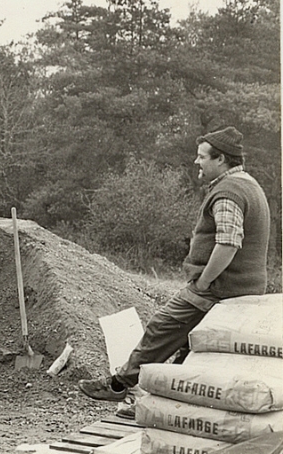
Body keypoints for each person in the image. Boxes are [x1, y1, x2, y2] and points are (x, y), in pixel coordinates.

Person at [78, 126, 271, 410]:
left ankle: (119, 385)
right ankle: (159, 405)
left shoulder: (228, 192)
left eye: (202, 156)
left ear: (221, 159)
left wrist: (204, 282)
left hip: (219, 288)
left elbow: (229, 243)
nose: (197, 162)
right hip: (243, 288)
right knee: (191, 351)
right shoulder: (248, 184)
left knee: (162, 328)